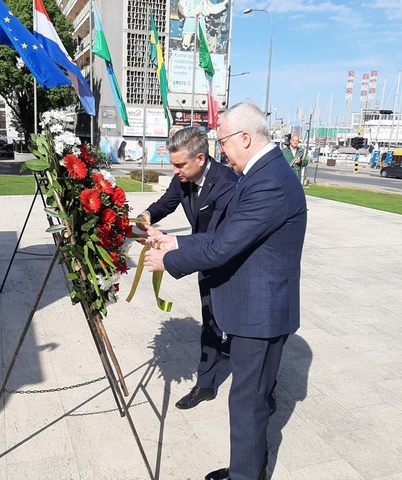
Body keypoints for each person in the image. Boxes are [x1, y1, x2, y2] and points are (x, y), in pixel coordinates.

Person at [144, 102, 307, 480]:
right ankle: (251, 467)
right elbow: (225, 236)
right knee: (251, 400)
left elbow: (222, 246)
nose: (222, 151)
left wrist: (169, 260)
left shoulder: (266, 180)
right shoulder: (263, 172)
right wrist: (175, 242)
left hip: (260, 313)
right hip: (257, 307)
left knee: (247, 402)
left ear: (245, 138)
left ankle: (245, 475)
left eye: (223, 142)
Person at [137, 126, 238, 410]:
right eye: (173, 164)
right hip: (202, 257)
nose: (175, 171)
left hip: (229, 261)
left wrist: (172, 243)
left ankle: (253, 380)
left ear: (201, 159)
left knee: (228, 318)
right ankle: (206, 385)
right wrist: (146, 215)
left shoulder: (227, 184)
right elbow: (165, 203)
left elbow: (218, 237)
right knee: (210, 320)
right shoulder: (183, 178)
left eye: (180, 165)